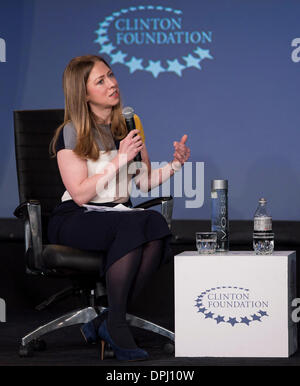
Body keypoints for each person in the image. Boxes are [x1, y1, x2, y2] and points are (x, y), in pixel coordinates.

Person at [48, 55, 190, 361]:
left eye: (111, 75)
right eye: (101, 81)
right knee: (132, 225)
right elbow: (81, 194)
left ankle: (108, 321)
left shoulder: (129, 124)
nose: (113, 84)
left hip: (118, 214)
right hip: (76, 216)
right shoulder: (70, 132)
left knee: (154, 223)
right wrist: (119, 159)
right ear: (83, 93)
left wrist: (176, 165)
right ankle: (115, 324)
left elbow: (143, 183)